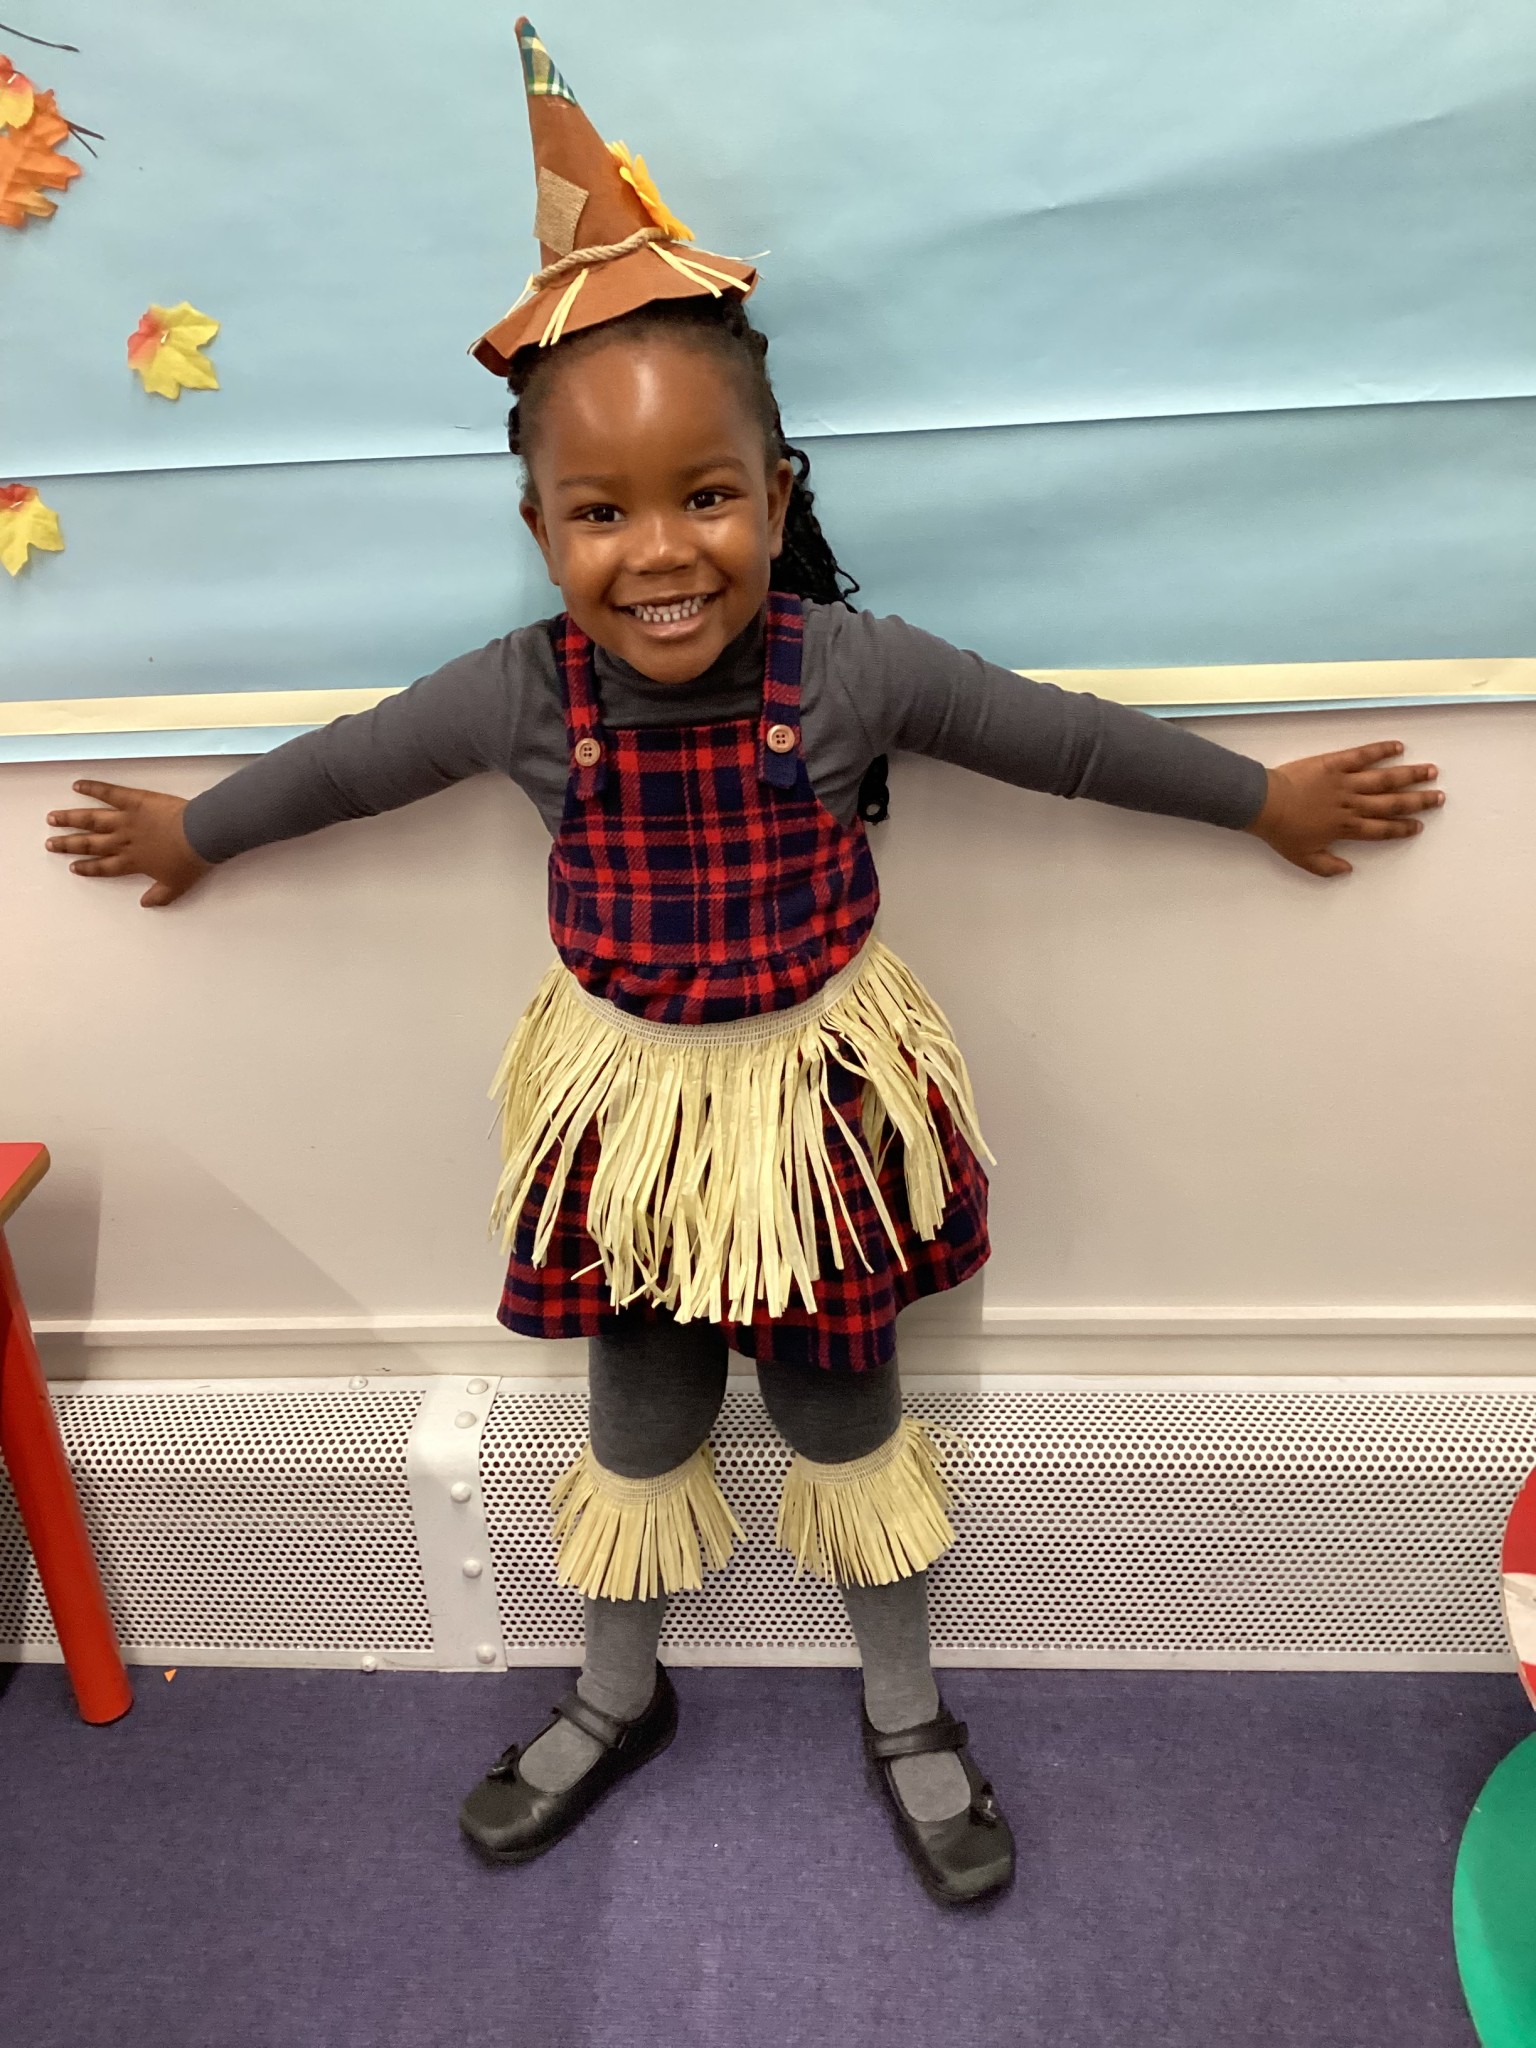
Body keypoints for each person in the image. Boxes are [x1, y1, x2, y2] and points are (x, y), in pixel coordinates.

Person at [43, 21, 1444, 1905]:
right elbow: (351, 764)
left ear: (778, 497)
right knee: (639, 1411)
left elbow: (1067, 737)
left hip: (811, 1108)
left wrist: (1257, 799)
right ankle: (620, 1690)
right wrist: (193, 832)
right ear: (538, 529)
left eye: (705, 496)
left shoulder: (850, 670)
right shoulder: (524, 694)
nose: (660, 551)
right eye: (600, 513)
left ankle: (903, 1701)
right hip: (632, 1117)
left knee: (840, 1415)